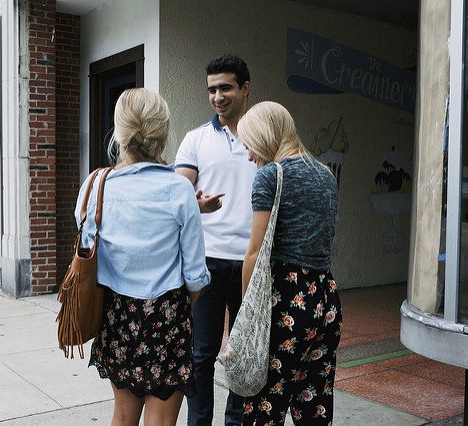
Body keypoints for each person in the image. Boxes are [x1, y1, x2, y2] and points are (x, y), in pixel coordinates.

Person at [76, 88, 211, 426]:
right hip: (168, 314)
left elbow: (90, 252)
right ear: (162, 134)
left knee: (122, 417)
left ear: (119, 133)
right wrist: (180, 308)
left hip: (118, 314)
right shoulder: (179, 189)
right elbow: (195, 275)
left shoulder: (96, 184)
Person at [238, 101, 342, 425]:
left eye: (250, 145)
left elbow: (255, 253)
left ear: (265, 137)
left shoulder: (270, 176)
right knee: (314, 406)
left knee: (264, 408)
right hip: (325, 300)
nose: (250, 155)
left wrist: (248, 313)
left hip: (285, 302)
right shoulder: (326, 175)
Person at [175, 54, 256, 426]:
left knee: (242, 352)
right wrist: (196, 205)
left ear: (245, 88)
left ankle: (236, 421)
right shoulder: (196, 139)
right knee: (201, 353)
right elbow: (178, 196)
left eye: (225, 87)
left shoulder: (264, 140)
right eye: (212, 89)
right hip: (206, 262)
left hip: (251, 263)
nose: (217, 96)